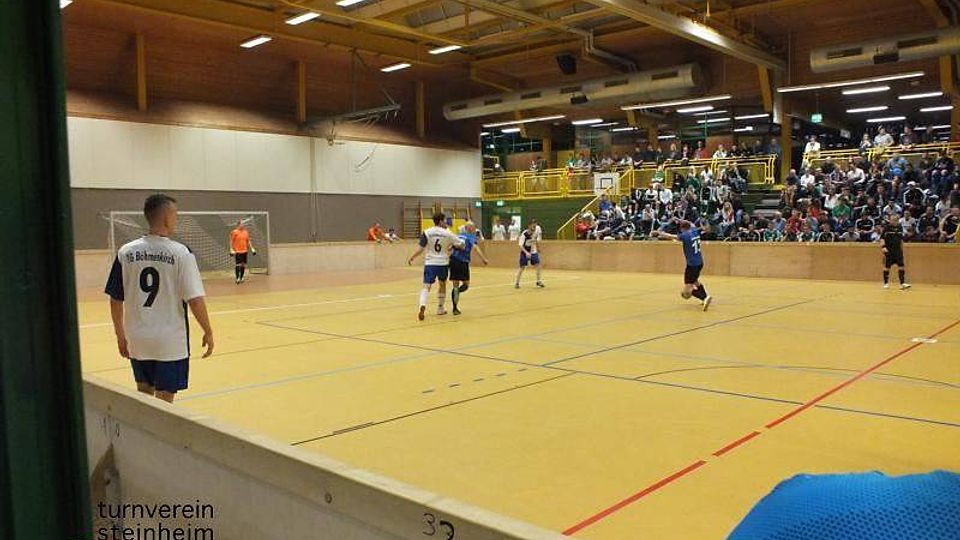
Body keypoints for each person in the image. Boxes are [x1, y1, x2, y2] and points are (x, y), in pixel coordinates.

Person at [105, 194, 214, 403]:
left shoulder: (125, 252)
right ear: (166, 217)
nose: (176, 219)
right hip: (169, 342)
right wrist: (208, 331)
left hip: (137, 338)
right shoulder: (181, 253)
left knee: (144, 394)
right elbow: (195, 299)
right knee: (165, 401)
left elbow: (115, 299)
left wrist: (120, 335)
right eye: (175, 215)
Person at [407, 212, 465, 321]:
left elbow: (421, 248)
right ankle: (440, 308)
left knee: (426, 286)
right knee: (442, 284)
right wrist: (458, 245)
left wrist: (412, 257)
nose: (446, 222)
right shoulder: (447, 233)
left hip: (430, 263)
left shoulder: (427, 232)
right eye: (445, 220)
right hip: (442, 263)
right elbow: (461, 244)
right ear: (441, 221)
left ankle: (422, 305)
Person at [652, 219, 712, 311]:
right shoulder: (694, 231)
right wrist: (680, 220)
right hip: (700, 263)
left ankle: (704, 298)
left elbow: (671, 236)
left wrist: (659, 232)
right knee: (695, 281)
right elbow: (691, 223)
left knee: (685, 293)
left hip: (692, 265)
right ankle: (705, 297)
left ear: (682, 229)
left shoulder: (685, 235)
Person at [449, 222, 489, 316]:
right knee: (466, 285)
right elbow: (476, 248)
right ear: (469, 228)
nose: (475, 229)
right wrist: (484, 259)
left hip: (453, 260)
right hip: (463, 262)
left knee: (455, 284)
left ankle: (455, 307)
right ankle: (456, 294)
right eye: (473, 227)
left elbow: (450, 247)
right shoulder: (470, 237)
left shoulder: (458, 235)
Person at [881, 215, 911, 290]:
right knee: (887, 267)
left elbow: (901, 240)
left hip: (898, 251)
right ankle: (886, 283)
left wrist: (902, 250)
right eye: (892, 219)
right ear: (890, 220)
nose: (894, 221)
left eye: (896, 220)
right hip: (889, 250)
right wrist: (883, 247)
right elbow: (882, 238)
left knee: (901, 266)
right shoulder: (886, 228)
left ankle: (902, 284)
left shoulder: (900, 227)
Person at [515, 220, 545, 289]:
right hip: (525, 251)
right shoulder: (524, 234)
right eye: (533, 225)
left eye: (535, 225)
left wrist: (538, 248)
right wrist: (526, 253)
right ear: (529, 226)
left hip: (533, 251)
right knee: (522, 267)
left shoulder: (536, 232)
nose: (534, 226)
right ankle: (517, 283)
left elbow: (535, 240)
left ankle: (538, 281)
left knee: (538, 265)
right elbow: (520, 245)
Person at [230, 220, 257, 284]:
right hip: (238, 251)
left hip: (244, 251)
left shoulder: (246, 232)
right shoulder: (234, 232)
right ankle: (237, 278)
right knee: (238, 265)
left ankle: (242, 277)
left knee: (243, 265)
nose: (243, 225)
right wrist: (231, 249)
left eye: (243, 224)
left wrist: (252, 248)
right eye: (242, 224)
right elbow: (231, 241)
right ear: (238, 225)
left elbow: (248, 241)